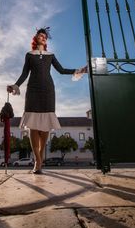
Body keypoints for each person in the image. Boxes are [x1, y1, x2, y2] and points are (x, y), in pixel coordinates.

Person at [7, 27, 87, 174]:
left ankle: (40, 157)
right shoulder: (29, 55)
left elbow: (61, 70)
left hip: (48, 91)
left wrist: (79, 70)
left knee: (45, 127)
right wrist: (15, 85)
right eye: (40, 36)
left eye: (45, 36)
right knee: (33, 126)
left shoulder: (51, 55)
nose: (43, 38)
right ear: (35, 38)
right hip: (33, 90)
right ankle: (37, 161)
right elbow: (25, 73)